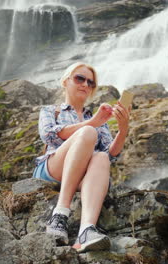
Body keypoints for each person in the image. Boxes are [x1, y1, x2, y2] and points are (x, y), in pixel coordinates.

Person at [32, 62, 130, 253]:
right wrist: (92, 123)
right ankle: (59, 215)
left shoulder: (99, 120)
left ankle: (86, 231)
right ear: (65, 81)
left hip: (82, 174)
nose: (85, 84)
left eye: (91, 82)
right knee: (87, 132)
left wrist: (124, 129)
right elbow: (49, 135)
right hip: (52, 168)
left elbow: (110, 154)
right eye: (80, 78)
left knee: (101, 157)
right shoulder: (51, 111)